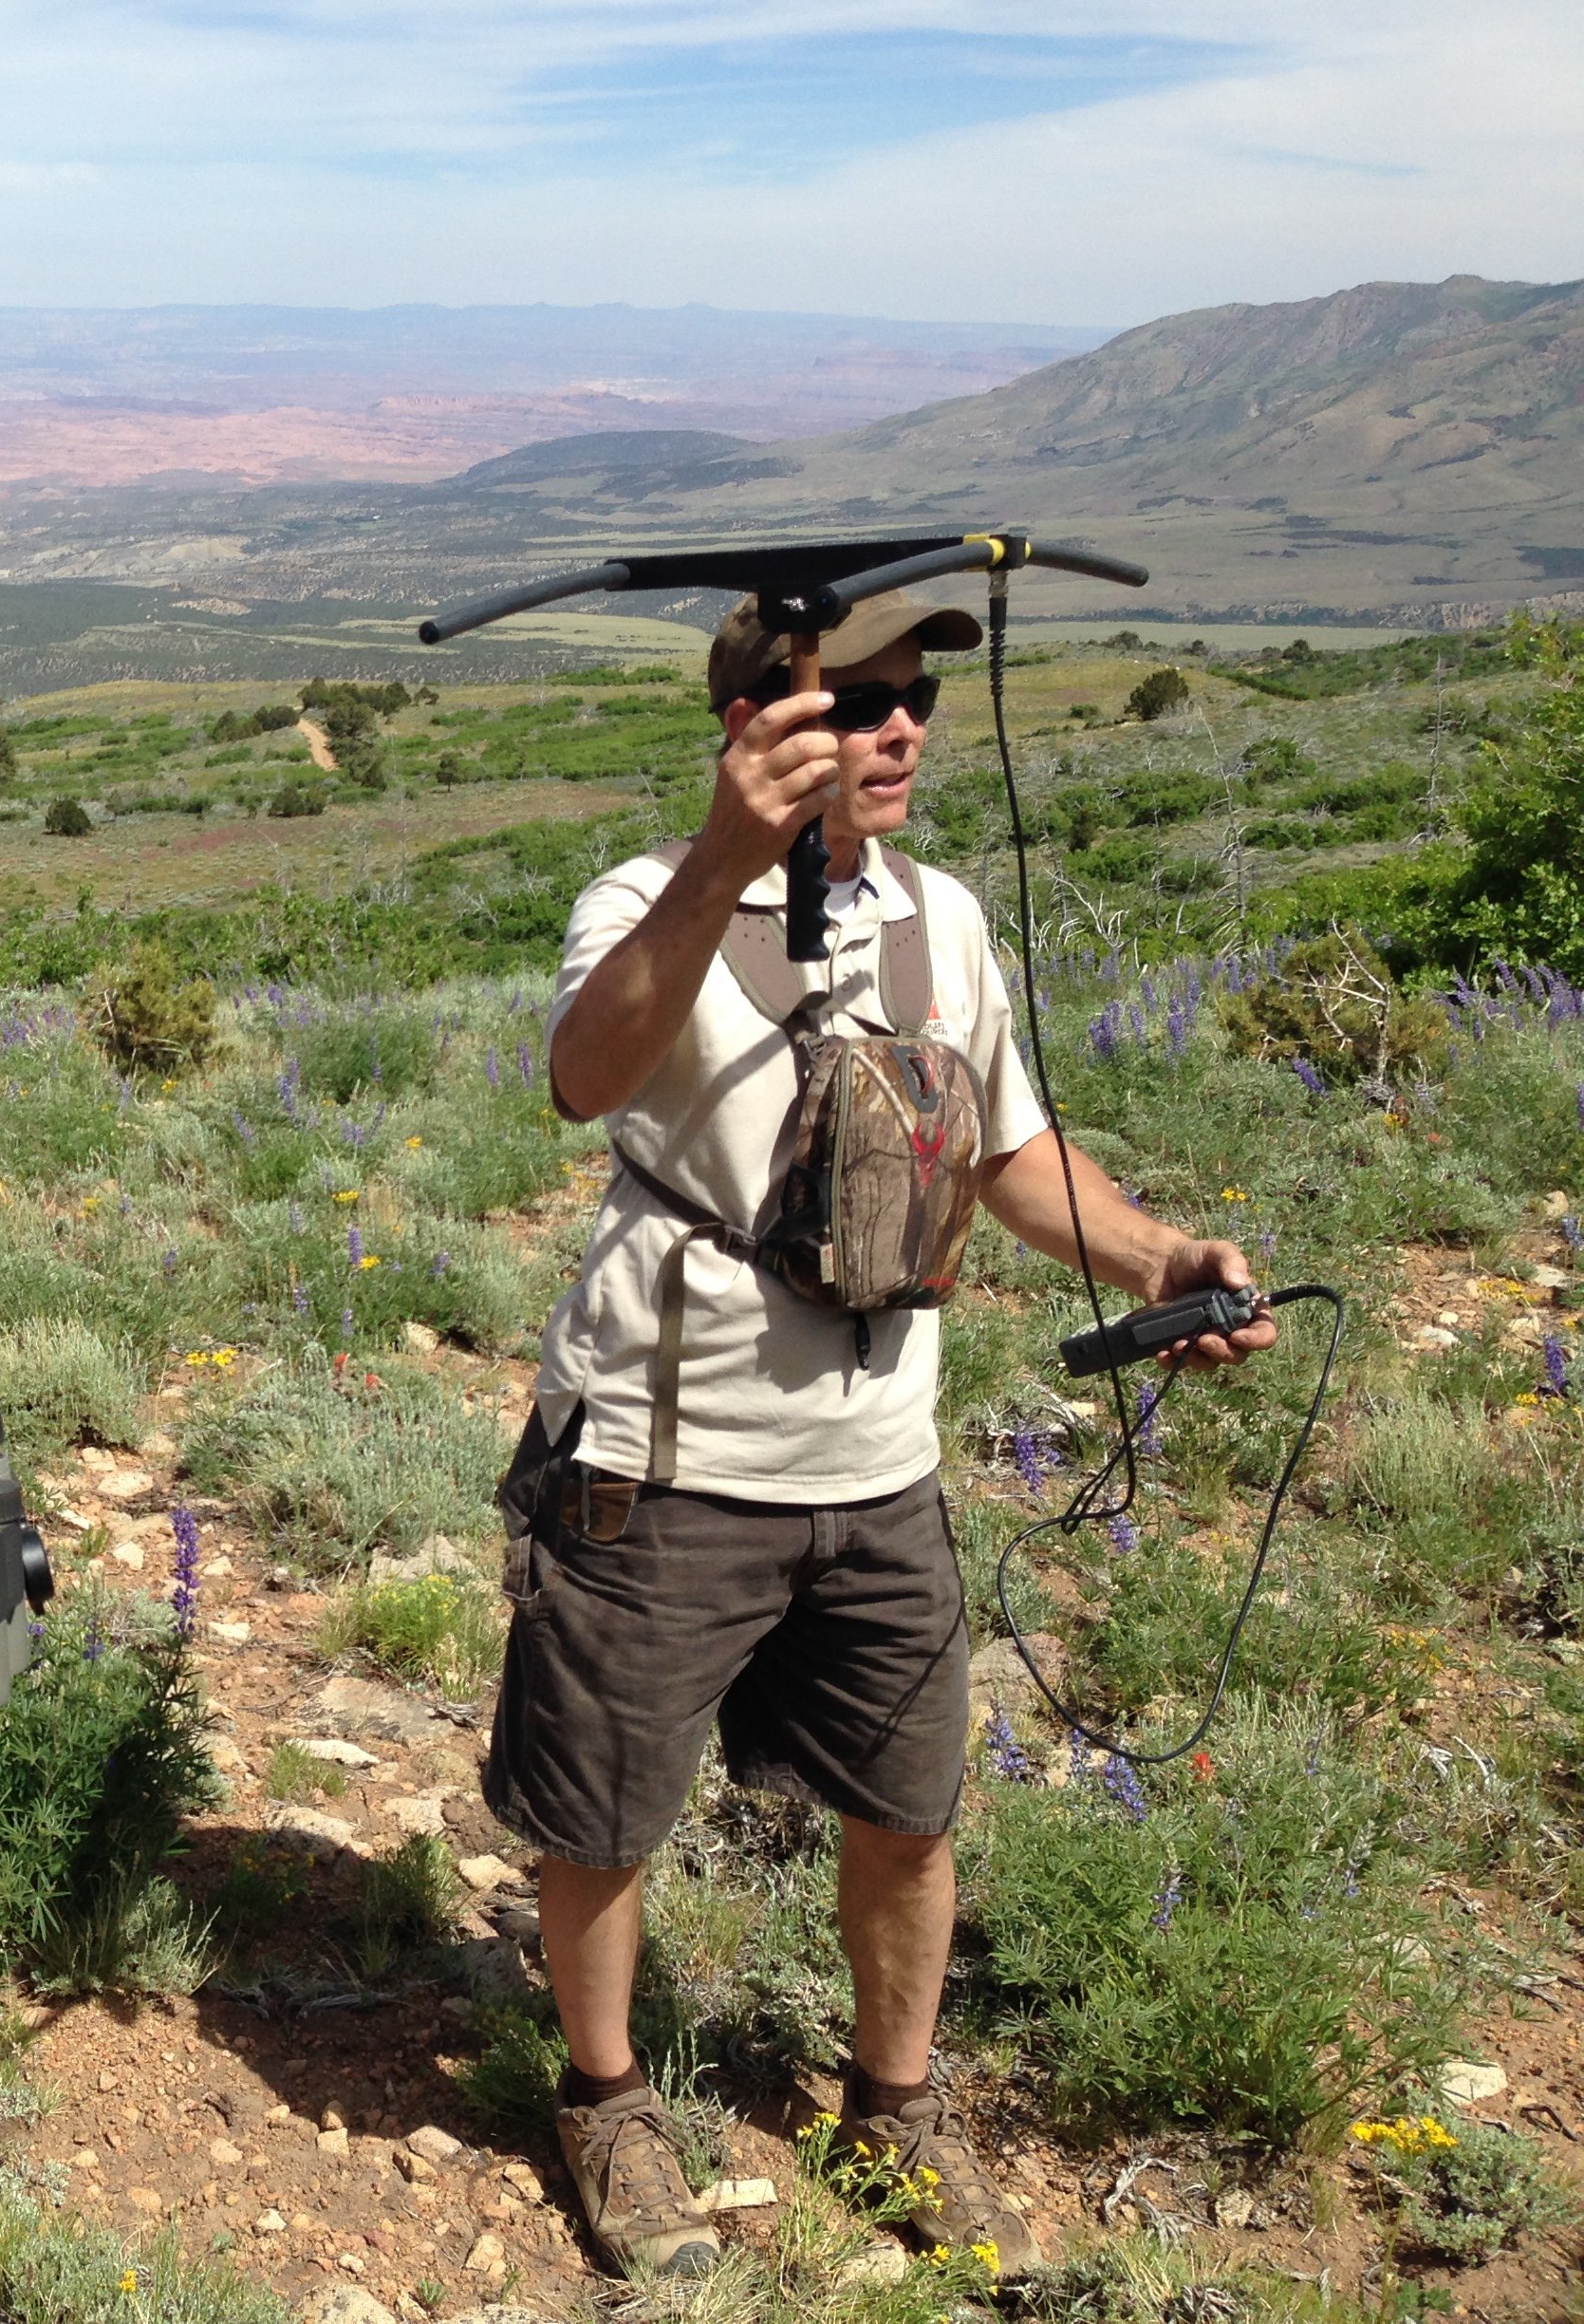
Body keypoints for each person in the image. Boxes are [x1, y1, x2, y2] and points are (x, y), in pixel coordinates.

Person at [488, 590, 1276, 2279]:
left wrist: (1162, 1259)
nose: (901, 731)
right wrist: (723, 859)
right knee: (609, 1815)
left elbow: (1008, 1155)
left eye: (914, 702)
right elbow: (584, 1073)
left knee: (911, 1811)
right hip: (662, 1454)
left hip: (881, 1468)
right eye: (859, 704)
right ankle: (610, 2104)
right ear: (757, 729)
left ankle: (892, 2112)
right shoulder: (643, 904)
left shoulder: (945, 923)